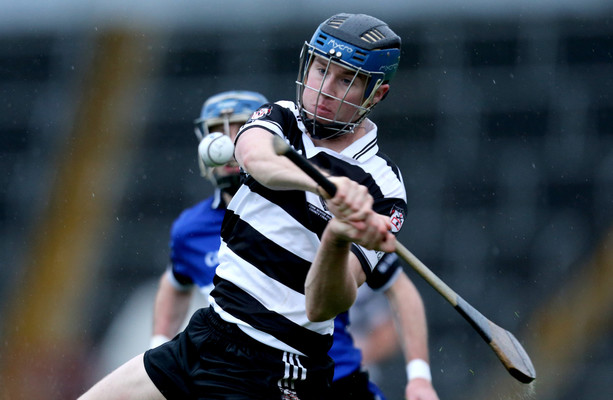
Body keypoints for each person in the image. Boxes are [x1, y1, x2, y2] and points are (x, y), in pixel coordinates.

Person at [79, 13, 429, 399]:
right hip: (209, 331)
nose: (325, 89)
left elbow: (321, 306)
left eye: (346, 79)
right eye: (320, 68)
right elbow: (254, 157)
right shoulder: (281, 117)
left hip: (274, 363)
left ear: (375, 95)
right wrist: (324, 187)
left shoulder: (383, 189)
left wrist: (337, 236)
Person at [149, 90, 439, 400]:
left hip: (331, 376)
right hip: (240, 378)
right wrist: (157, 342)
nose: (228, 143)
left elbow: (400, 290)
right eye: (218, 132)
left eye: (238, 128)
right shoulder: (190, 230)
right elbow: (175, 281)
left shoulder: (312, 211)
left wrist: (419, 377)